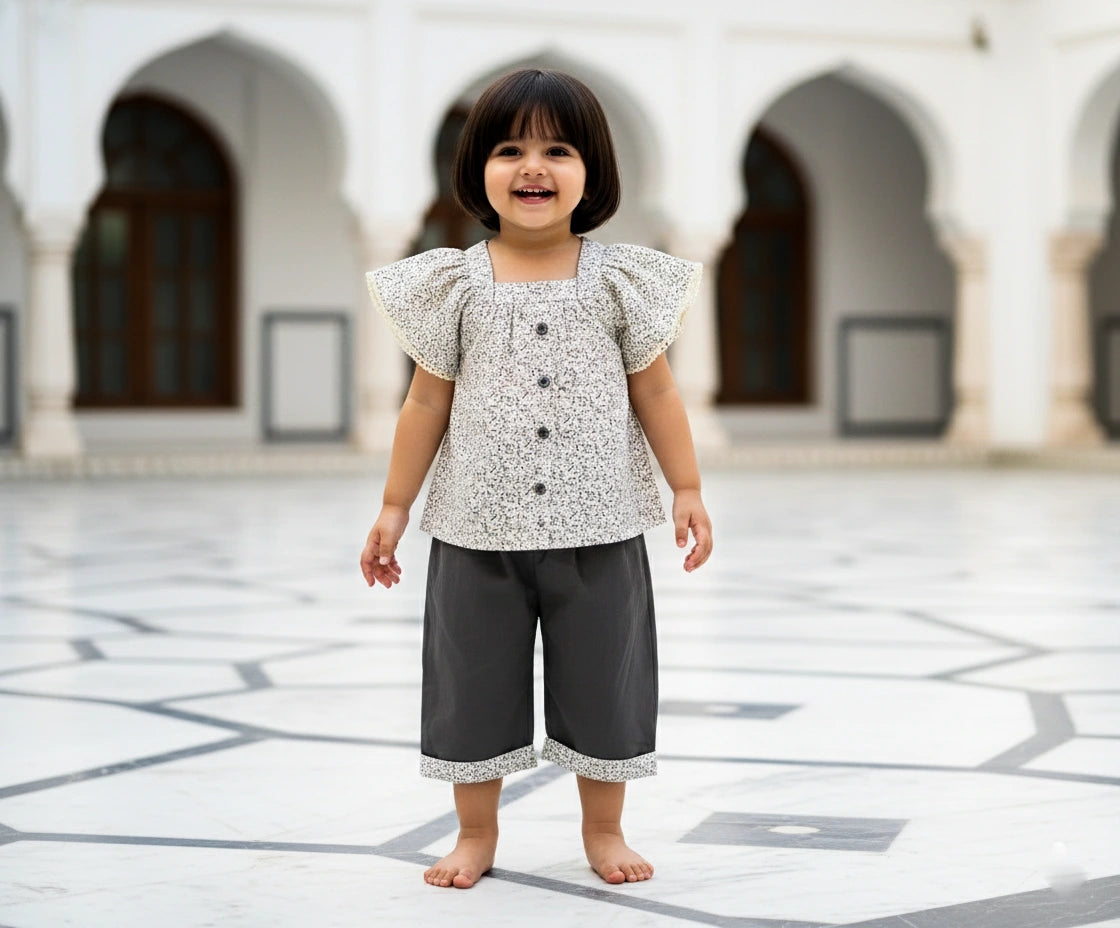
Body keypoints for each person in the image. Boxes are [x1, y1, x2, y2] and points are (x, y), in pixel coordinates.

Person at [359, 68, 713, 890]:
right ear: (477, 169)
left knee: (605, 683)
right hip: (475, 529)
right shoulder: (455, 283)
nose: (533, 167)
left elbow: (657, 392)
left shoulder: (619, 280)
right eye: (510, 149)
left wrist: (687, 488)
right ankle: (475, 833)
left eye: (558, 150)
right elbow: (425, 402)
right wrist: (394, 506)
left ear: (593, 171)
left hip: (602, 525)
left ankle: (604, 829)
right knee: (471, 685)